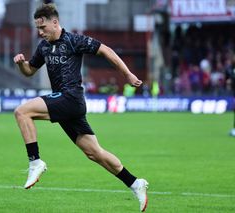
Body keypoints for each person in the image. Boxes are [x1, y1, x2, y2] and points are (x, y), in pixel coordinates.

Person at [13, 3, 148, 212]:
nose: (40, 32)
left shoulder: (74, 40)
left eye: (43, 27)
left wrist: (128, 74)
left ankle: (35, 162)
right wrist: (22, 63)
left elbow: (107, 51)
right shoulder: (44, 46)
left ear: (55, 22)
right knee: (95, 153)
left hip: (71, 98)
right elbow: (30, 70)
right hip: (65, 104)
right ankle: (134, 183)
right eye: (38, 28)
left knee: (22, 111)